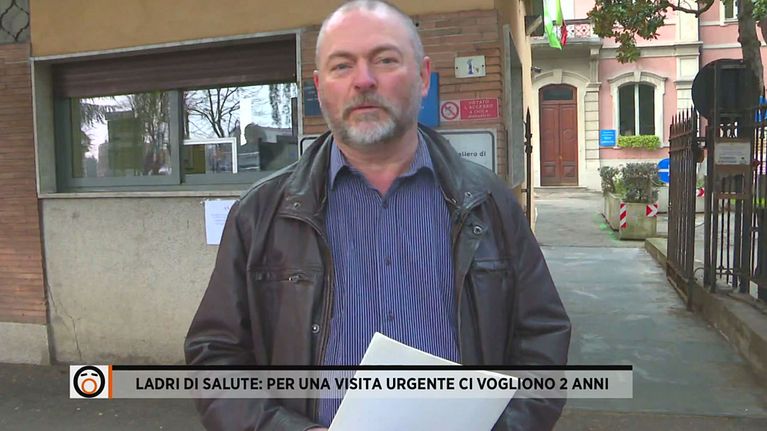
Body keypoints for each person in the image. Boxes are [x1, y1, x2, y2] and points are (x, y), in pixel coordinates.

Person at [184, 1, 571, 430]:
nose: (363, 80)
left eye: (385, 60)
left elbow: (542, 337)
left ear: (423, 77)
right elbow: (215, 356)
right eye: (342, 66)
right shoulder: (260, 214)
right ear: (320, 87)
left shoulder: (489, 201)